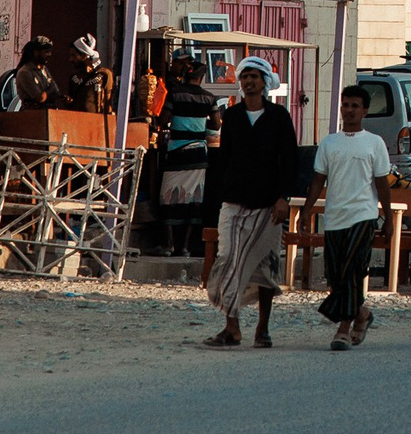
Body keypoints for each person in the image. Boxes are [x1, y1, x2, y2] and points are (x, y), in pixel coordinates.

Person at [204, 57, 299, 349]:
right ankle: (231, 328)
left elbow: (290, 160)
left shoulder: (279, 117)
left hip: (268, 206)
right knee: (229, 260)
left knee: (264, 267)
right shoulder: (230, 116)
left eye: (255, 77)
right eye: (245, 77)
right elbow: (223, 161)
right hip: (234, 201)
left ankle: (263, 328)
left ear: (265, 82)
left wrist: (284, 197)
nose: (249, 82)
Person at [303, 85, 394, 350]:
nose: (350, 110)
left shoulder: (374, 143)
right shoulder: (330, 142)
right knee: (336, 274)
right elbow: (318, 179)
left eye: (355, 106)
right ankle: (362, 313)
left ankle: (343, 328)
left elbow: (382, 183)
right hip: (334, 217)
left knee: (352, 270)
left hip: (363, 215)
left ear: (365, 110)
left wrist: (387, 217)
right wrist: (308, 209)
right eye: (346, 105)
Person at [155, 48, 218, 256]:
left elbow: (163, 120)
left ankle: (168, 244)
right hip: (199, 154)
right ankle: (185, 247)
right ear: (201, 78)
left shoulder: (175, 93)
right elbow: (216, 125)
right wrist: (200, 120)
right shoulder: (210, 98)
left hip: (176, 153)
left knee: (168, 198)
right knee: (193, 200)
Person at [0, 36, 60, 111]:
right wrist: (51, 89)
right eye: (46, 52)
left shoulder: (43, 69)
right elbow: (40, 97)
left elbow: (56, 91)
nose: (49, 54)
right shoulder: (25, 72)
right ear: (36, 52)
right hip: (32, 115)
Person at [65, 36, 114, 115]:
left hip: (97, 122)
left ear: (84, 56)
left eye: (74, 56)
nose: (70, 59)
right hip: (76, 121)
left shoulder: (104, 74)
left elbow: (108, 101)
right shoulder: (74, 76)